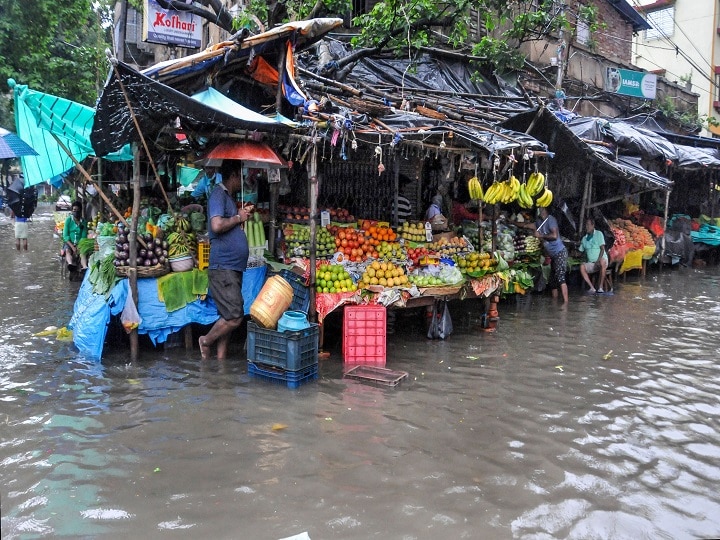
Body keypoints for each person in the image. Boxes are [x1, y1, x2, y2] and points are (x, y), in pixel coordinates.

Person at [198, 161, 253, 361]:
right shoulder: (218, 195)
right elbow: (217, 224)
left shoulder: (227, 197)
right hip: (223, 266)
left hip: (231, 266)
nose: (243, 180)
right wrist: (238, 218)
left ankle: (221, 362)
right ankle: (205, 341)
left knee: (227, 314)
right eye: (241, 175)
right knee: (235, 315)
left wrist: (240, 217)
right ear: (233, 176)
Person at [535, 206, 569, 304]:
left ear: (544, 210)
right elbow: (528, 225)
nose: (539, 211)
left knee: (560, 277)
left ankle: (566, 303)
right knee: (552, 280)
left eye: (540, 209)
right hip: (553, 256)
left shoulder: (551, 220)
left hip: (560, 253)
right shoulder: (539, 222)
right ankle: (555, 304)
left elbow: (554, 236)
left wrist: (540, 235)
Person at [578, 217, 608, 293]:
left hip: (601, 260)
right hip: (592, 263)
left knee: (602, 261)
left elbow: (602, 249)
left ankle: (600, 287)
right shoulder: (584, 239)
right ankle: (592, 288)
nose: (586, 227)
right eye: (586, 225)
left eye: (588, 225)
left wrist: (598, 260)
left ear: (593, 225)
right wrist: (574, 253)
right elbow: (580, 252)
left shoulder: (599, 234)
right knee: (582, 266)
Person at [63, 200, 88, 270]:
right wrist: (73, 247)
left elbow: (84, 236)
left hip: (80, 243)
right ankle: (70, 264)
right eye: (74, 210)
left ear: (80, 211)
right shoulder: (68, 220)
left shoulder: (83, 222)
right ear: (72, 211)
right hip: (69, 242)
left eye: (78, 210)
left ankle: (84, 266)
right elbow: (65, 236)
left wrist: (78, 247)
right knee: (67, 251)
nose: (76, 212)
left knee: (83, 253)